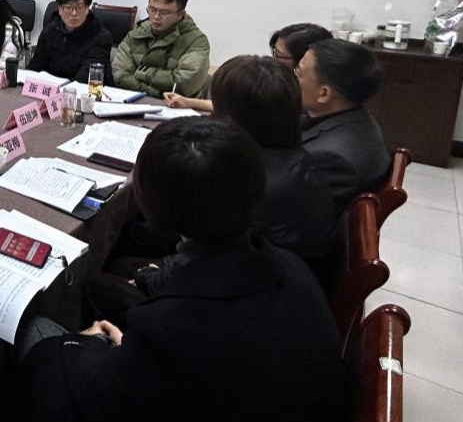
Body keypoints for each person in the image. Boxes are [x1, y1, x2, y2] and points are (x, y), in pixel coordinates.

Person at [16, 118, 348, 422]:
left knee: (38, 333)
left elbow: (104, 400)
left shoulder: (169, 328)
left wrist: (93, 346)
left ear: (149, 206)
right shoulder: (294, 268)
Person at [133, 56, 339, 294]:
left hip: (248, 294)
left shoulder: (246, 179)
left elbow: (211, 260)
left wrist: (149, 276)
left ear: (232, 118)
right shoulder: (291, 154)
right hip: (272, 278)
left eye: (218, 109)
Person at [297, 39, 390, 212]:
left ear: (324, 93)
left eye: (298, 73)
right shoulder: (356, 116)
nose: (292, 77)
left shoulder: (331, 158)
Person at [164, 22, 332, 112]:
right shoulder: (280, 84)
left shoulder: (304, 96)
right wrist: (187, 101)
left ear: (304, 59)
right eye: (273, 52)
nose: (273, 60)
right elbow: (236, 106)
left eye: (279, 55)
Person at [112, 0, 210, 98]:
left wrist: (144, 73)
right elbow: (119, 74)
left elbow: (183, 84)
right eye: (152, 10)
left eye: (164, 12)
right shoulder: (136, 34)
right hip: (134, 100)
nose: (156, 16)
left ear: (181, 14)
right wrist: (155, 93)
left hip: (179, 106)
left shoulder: (196, 41)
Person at [27, 0, 113, 85]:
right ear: (59, 10)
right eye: (68, 8)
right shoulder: (49, 31)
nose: (74, 13)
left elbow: (85, 77)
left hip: (88, 91)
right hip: (51, 88)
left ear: (87, 9)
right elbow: (36, 65)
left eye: (79, 7)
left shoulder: (101, 37)